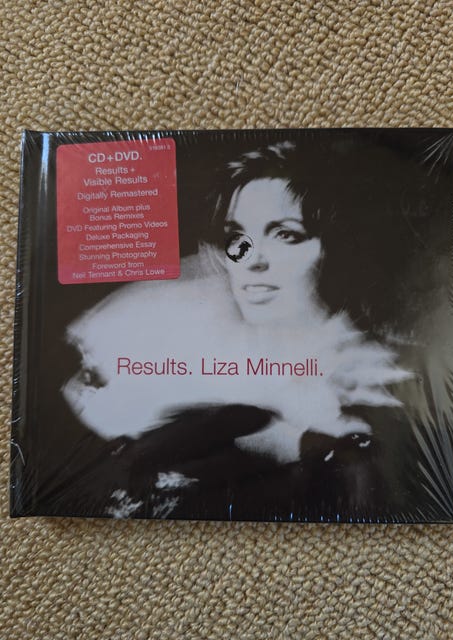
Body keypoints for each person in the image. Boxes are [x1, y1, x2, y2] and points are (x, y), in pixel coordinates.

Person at [60, 140, 414, 519]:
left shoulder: (370, 382)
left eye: (286, 234)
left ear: (333, 246)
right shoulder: (195, 338)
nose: (251, 261)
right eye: (238, 236)